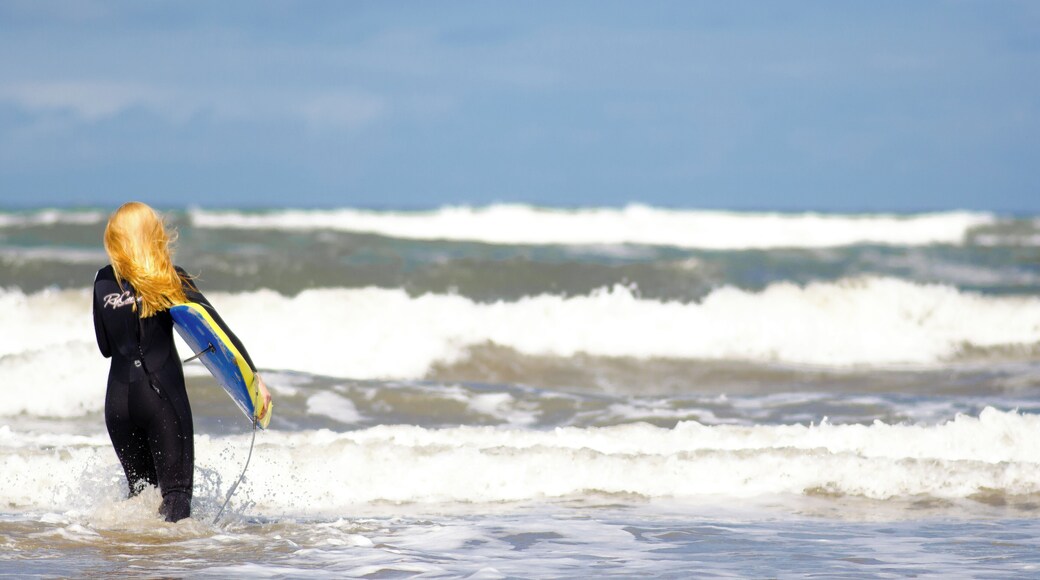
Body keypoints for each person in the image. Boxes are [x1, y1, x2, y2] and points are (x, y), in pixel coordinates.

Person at [92, 201, 271, 522]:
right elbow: (218, 332)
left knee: (140, 496)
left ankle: (133, 563)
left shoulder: (102, 282)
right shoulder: (170, 278)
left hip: (118, 402)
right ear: (154, 234)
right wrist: (253, 379)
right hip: (160, 396)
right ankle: (172, 565)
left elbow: (105, 346)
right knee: (175, 499)